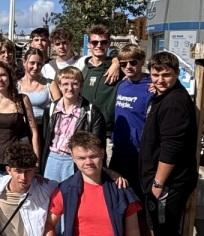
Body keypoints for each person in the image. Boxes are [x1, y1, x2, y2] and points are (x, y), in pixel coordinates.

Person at [140, 51, 198, 236]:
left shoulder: (175, 103)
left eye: (166, 75)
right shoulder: (163, 96)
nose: (160, 80)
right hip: (159, 181)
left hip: (169, 183)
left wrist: (158, 182)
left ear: (177, 74)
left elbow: (171, 148)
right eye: (156, 74)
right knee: (159, 233)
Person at [41, 67, 105, 181]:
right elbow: (45, 139)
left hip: (75, 161)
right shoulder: (50, 108)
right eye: (65, 84)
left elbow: (97, 145)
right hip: (52, 159)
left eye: (74, 84)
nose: (70, 88)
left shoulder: (91, 112)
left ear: (81, 85)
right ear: (59, 86)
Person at [0, 61, 39, 173]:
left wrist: (36, 163)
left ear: (9, 76)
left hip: (16, 160)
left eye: (3, 75)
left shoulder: (22, 100)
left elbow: (34, 132)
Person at [110, 45, 152, 198]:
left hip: (139, 154)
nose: (128, 67)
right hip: (118, 151)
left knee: (138, 199)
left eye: (133, 62)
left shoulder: (151, 85)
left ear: (142, 61)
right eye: (123, 64)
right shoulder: (121, 85)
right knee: (117, 196)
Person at [76, 24, 122, 156]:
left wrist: (117, 62)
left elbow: (136, 63)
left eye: (103, 42)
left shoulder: (118, 69)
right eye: (95, 42)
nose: (99, 45)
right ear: (89, 44)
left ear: (109, 44)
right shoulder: (82, 69)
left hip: (107, 133)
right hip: (84, 130)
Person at [18, 48, 61, 132]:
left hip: (44, 127)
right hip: (22, 128)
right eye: (32, 63)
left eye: (39, 64)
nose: (35, 67)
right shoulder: (16, 85)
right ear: (24, 62)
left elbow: (59, 109)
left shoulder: (50, 84)